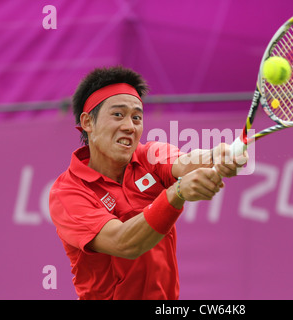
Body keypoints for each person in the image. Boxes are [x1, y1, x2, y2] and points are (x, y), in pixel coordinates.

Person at [49, 66, 248, 300]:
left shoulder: (149, 155)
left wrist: (217, 156)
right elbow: (124, 243)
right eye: (118, 115)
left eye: (136, 117)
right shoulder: (67, 192)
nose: (129, 126)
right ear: (87, 123)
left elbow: (184, 162)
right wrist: (177, 193)